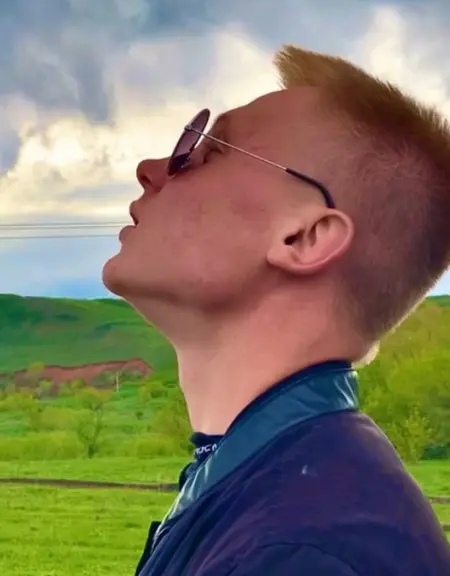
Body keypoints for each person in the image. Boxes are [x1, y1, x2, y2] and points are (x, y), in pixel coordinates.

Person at [102, 45, 450, 576]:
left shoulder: (305, 550)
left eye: (210, 152)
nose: (151, 170)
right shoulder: (275, 488)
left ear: (305, 238)